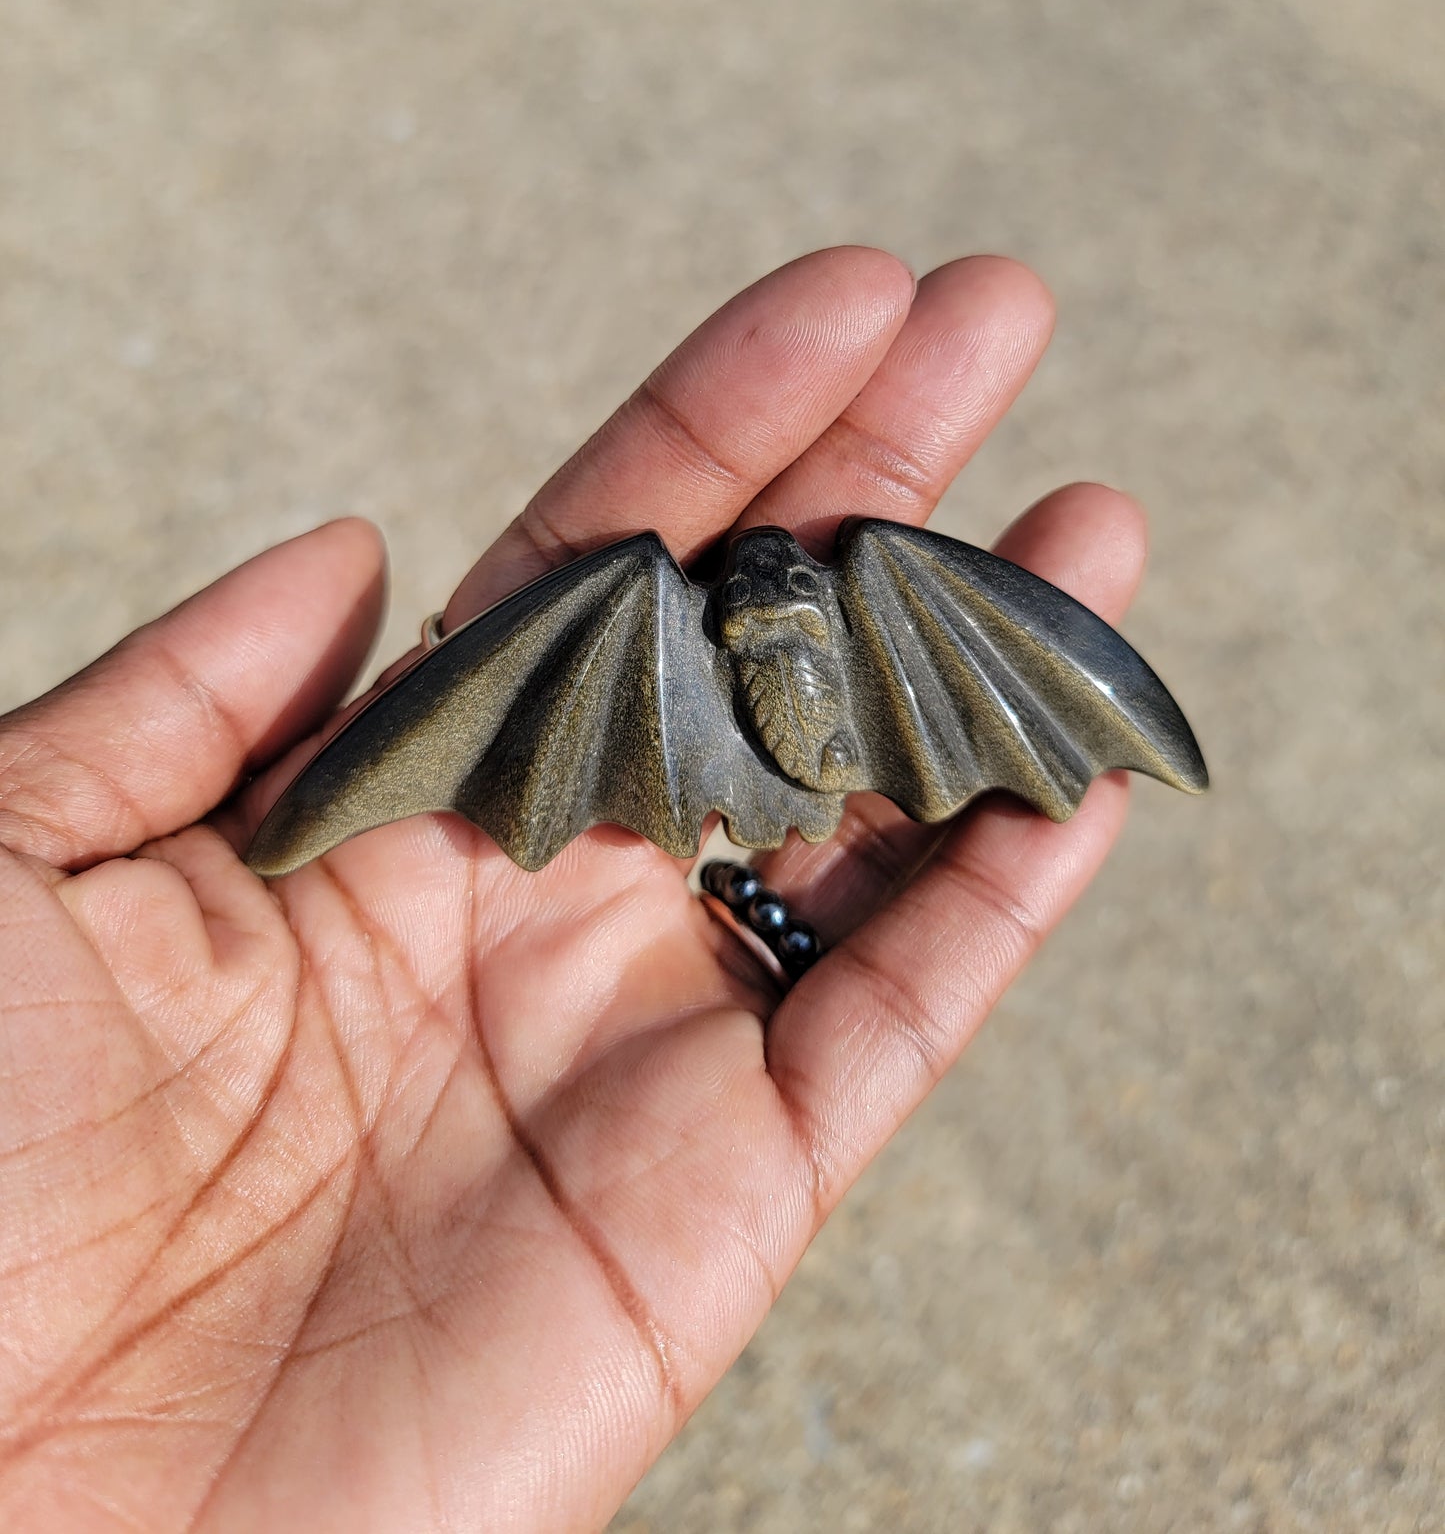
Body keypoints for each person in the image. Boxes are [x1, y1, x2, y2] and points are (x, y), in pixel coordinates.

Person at [0, 248, 1147, 1530]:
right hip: (726, 751)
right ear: (723, 631)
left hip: (811, 738)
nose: (767, 623)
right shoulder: (644, 620)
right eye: (753, 620)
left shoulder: (878, 597)